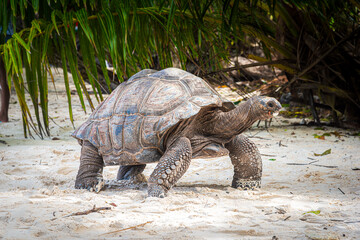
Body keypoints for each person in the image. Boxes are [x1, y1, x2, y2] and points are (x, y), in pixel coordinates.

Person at [0, 21, 13, 122]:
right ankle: (4, 114)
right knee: (2, 77)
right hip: (7, 34)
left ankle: (4, 114)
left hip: (5, 35)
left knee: (2, 75)